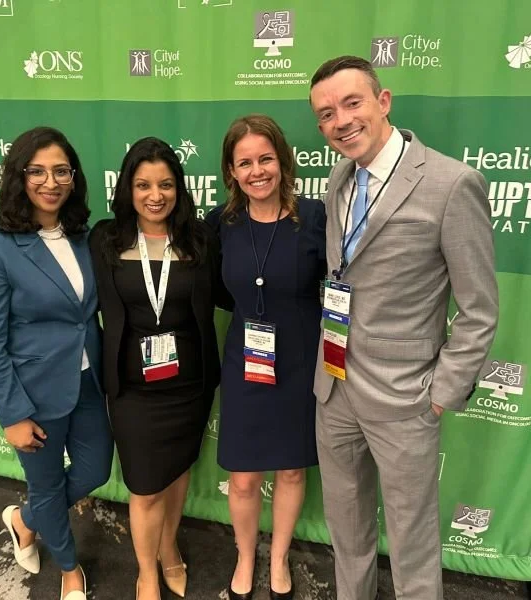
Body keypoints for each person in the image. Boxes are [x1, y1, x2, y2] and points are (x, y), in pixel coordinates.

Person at [308, 56, 499, 600]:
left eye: (352, 103)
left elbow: (480, 308)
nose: (341, 121)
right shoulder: (339, 178)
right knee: (346, 531)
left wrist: (440, 394)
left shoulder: (451, 184)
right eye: (326, 114)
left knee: (412, 544)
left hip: (405, 397)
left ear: (383, 101)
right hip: (333, 386)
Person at [0, 126, 111, 600]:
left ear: (73, 177)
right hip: (34, 392)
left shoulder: (84, 238)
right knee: (47, 486)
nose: (51, 182)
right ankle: (69, 568)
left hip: (88, 381)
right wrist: (12, 414)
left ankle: (24, 520)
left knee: (95, 471)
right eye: (38, 171)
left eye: (61, 171)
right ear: (18, 176)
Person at [88, 137, 223, 600]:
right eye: (143, 185)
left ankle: (169, 547)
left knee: (178, 471)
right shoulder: (105, 239)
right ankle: (146, 572)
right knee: (145, 488)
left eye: (165, 184)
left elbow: (229, 290)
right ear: (128, 188)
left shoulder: (199, 239)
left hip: (189, 385)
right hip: (132, 388)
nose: (155, 195)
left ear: (179, 189)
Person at [205, 114, 326, 600]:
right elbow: (216, 289)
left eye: (266, 159)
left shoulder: (314, 218)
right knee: (243, 477)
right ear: (231, 171)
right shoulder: (221, 224)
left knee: (292, 469)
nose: (257, 171)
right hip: (245, 360)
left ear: (283, 162)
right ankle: (245, 554)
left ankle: (278, 556)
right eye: (245, 163)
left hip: (300, 359)